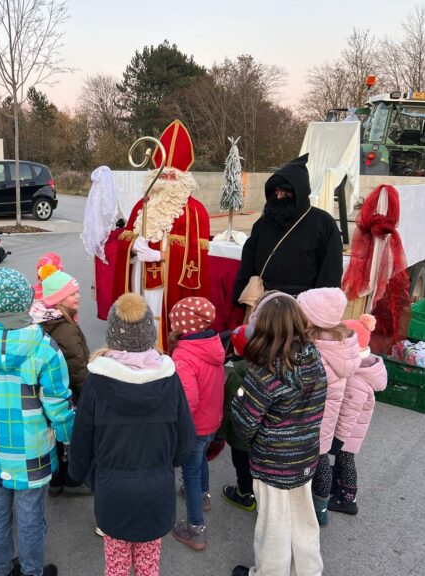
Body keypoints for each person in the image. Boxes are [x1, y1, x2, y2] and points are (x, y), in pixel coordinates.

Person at [0, 267, 74, 576]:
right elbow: (58, 404)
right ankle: (32, 571)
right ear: (27, 301)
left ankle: (0, 570)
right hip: (34, 447)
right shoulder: (45, 348)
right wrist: (66, 436)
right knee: (31, 513)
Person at [68, 293, 195, 576]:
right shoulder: (169, 378)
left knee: (116, 564)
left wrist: (88, 476)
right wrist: (165, 465)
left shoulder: (96, 382)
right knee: (149, 564)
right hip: (157, 489)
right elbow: (185, 440)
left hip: (112, 490)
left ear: (113, 335)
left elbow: (81, 441)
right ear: (150, 334)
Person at [231, 292, 327, 576]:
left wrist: (239, 396)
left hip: (272, 461)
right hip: (306, 455)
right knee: (303, 518)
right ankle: (307, 570)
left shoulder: (263, 372)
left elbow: (245, 424)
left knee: (273, 525)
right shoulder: (314, 360)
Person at [104, 120, 212, 350]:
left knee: (159, 320)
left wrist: (162, 255)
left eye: (172, 177)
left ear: (183, 179)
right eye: (162, 176)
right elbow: (124, 238)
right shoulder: (142, 205)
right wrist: (133, 246)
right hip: (138, 277)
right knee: (139, 315)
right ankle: (135, 351)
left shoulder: (196, 212)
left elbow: (197, 260)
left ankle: (163, 353)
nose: (166, 182)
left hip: (168, 283)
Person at [233, 154, 343, 303]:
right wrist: (238, 296)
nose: (278, 197)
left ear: (299, 193)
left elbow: (330, 272)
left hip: (301, 303)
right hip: (263, 300)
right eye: (276, 192)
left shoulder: (323, 223)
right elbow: (248, 262)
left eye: (285, 193)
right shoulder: (264, 222)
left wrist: (319, 306)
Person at [296, 287, 361, 526]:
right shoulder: (341, 345)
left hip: (311, 418)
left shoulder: (315, 351)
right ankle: (321, 509)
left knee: (311, 465)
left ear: (313, 319)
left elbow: (302, 387)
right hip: (328, 419)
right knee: (322, 461)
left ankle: (315, 510)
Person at [167, 297, 225, 552]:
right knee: (201, 460)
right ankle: (203, 495)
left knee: (190, 471)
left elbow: (188, 400)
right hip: (212, 419)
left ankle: (195, 528)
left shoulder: (184, 355)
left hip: (195, 424)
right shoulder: (211, 344)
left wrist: (176, 424)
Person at [31, 267, 90, 497]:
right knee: (70, 438)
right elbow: (77, 367)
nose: (78, 296)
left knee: (54, 438)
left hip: (47, 392)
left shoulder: (45, 321)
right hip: (68, 392)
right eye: (72, 293)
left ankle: (55, 482)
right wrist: (88, 392)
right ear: (58, 299)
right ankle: (72, 482)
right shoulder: (65, 329)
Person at [330, 314, 387, 516]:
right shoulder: (362, 369)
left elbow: (348, 413)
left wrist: (338, 438)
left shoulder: (356, 379)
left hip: (348, 431)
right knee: (342, 459)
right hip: (351, 428)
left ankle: (348, 499)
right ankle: (337, 486)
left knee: (345, 458)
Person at [218, 325, 257, 512]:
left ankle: (244, 494)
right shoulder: (267, 369)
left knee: (241, 464)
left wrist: (220, 434)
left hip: (240, 435)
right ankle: (258, 492)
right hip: (261, 434)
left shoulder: (236, 376)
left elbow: (228, 407)